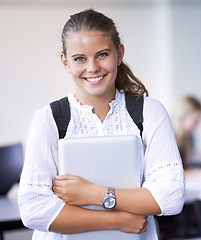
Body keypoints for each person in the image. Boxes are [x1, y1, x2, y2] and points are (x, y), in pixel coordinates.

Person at [18, 9, 185, 240]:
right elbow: (33, 210)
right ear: (65, 63)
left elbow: (171, 197)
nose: (92, 67)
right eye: (79, 59)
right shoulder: (47, 119)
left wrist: (91, 194)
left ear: (119, 54)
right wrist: (118, 220)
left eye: (102, 54)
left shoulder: (150, 111)